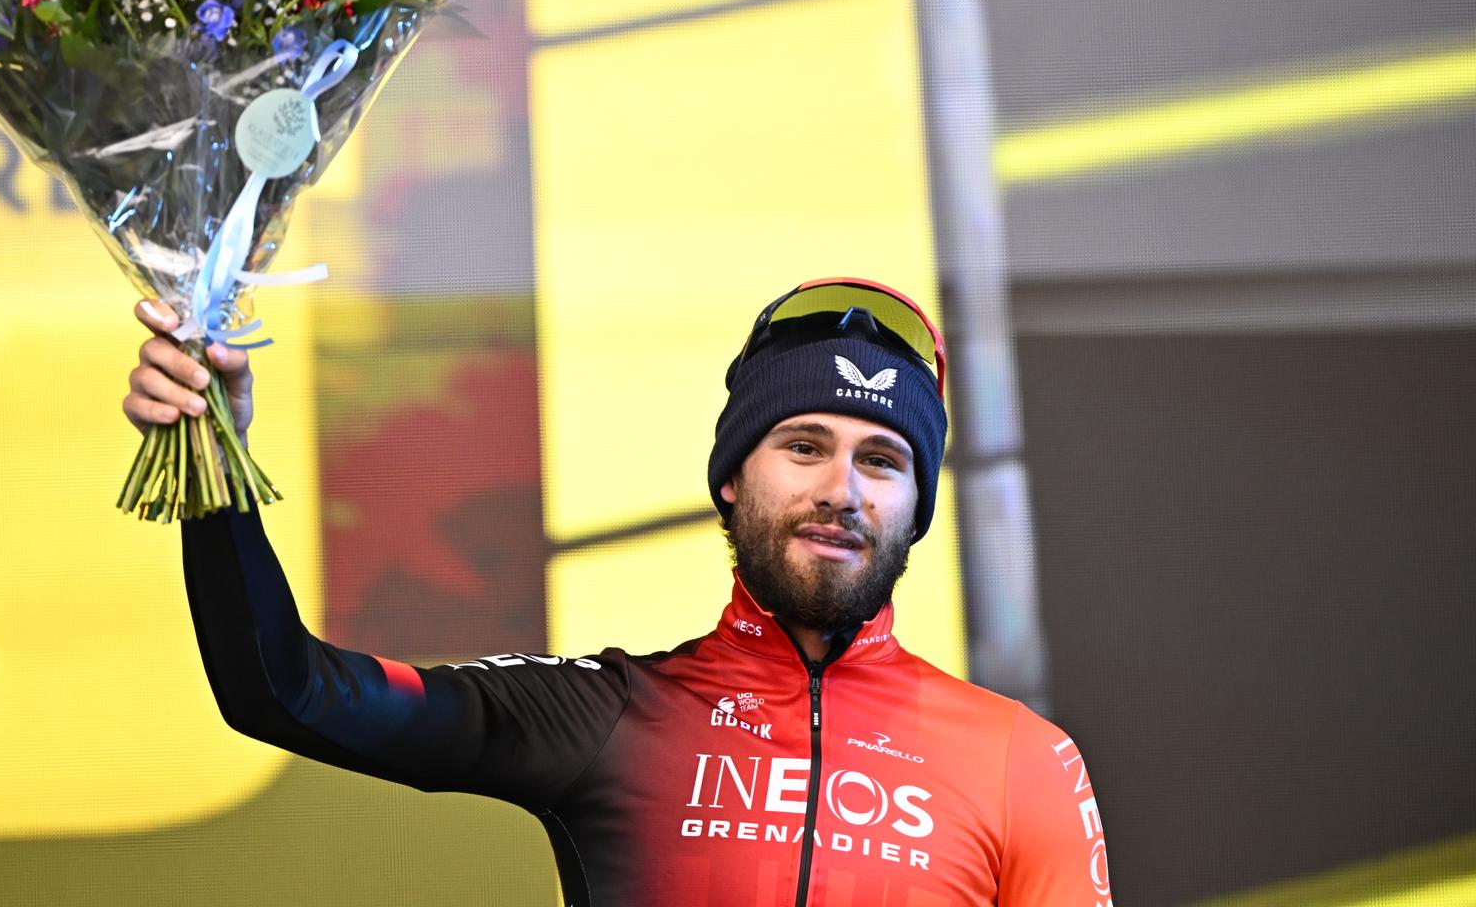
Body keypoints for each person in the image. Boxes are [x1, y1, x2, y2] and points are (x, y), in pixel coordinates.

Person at [124, 277, 1111, 905]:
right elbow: (284, 688)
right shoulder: (608, 712)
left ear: (918, 503)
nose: (840, 490)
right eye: (803, 445)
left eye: (883, 460)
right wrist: (215, 463)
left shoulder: (1020, 760)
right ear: (733, 475)